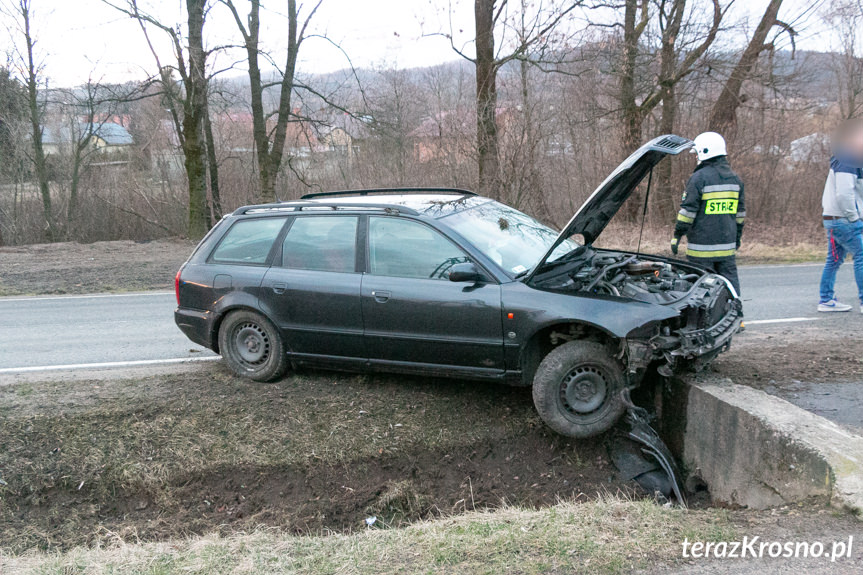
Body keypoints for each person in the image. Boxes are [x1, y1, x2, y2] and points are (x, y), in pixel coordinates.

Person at [671, 132, 745, 296]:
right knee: (731, 291)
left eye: (696, 153)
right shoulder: (735, 179)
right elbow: (740, 216)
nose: (696, 156)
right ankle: (735, 317)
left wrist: (677, 235)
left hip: (701, 250)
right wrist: (737, 238)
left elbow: (687, 213)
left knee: (701, 292)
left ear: (704, 152)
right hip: (727, 249)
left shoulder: (698, 178)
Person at [818, 120, 863, 313]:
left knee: (834, 260)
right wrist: (854, 217)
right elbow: (844, 193)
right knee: (861, 254)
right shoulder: (849, 160)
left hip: (833, 219)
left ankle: (826, 300)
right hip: (843, 220)